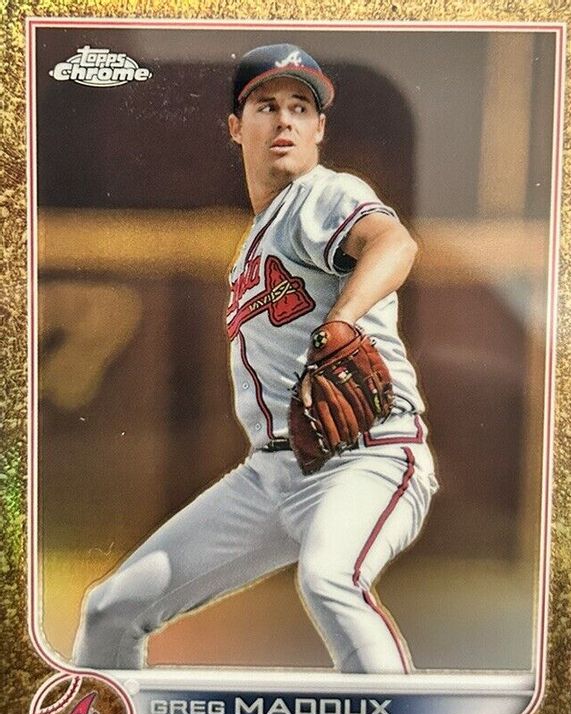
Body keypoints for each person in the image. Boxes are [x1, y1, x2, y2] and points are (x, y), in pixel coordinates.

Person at [73, 43, 438, 674]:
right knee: (110, 610)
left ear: (319, 129)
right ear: (236, 127)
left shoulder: (324, 194)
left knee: (330, 578)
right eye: (267, 106)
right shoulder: (254, 242)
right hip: (272, 473)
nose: (285, 119)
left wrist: (343, 319)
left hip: (367, 457)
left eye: (301, 107)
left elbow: (394, 242)